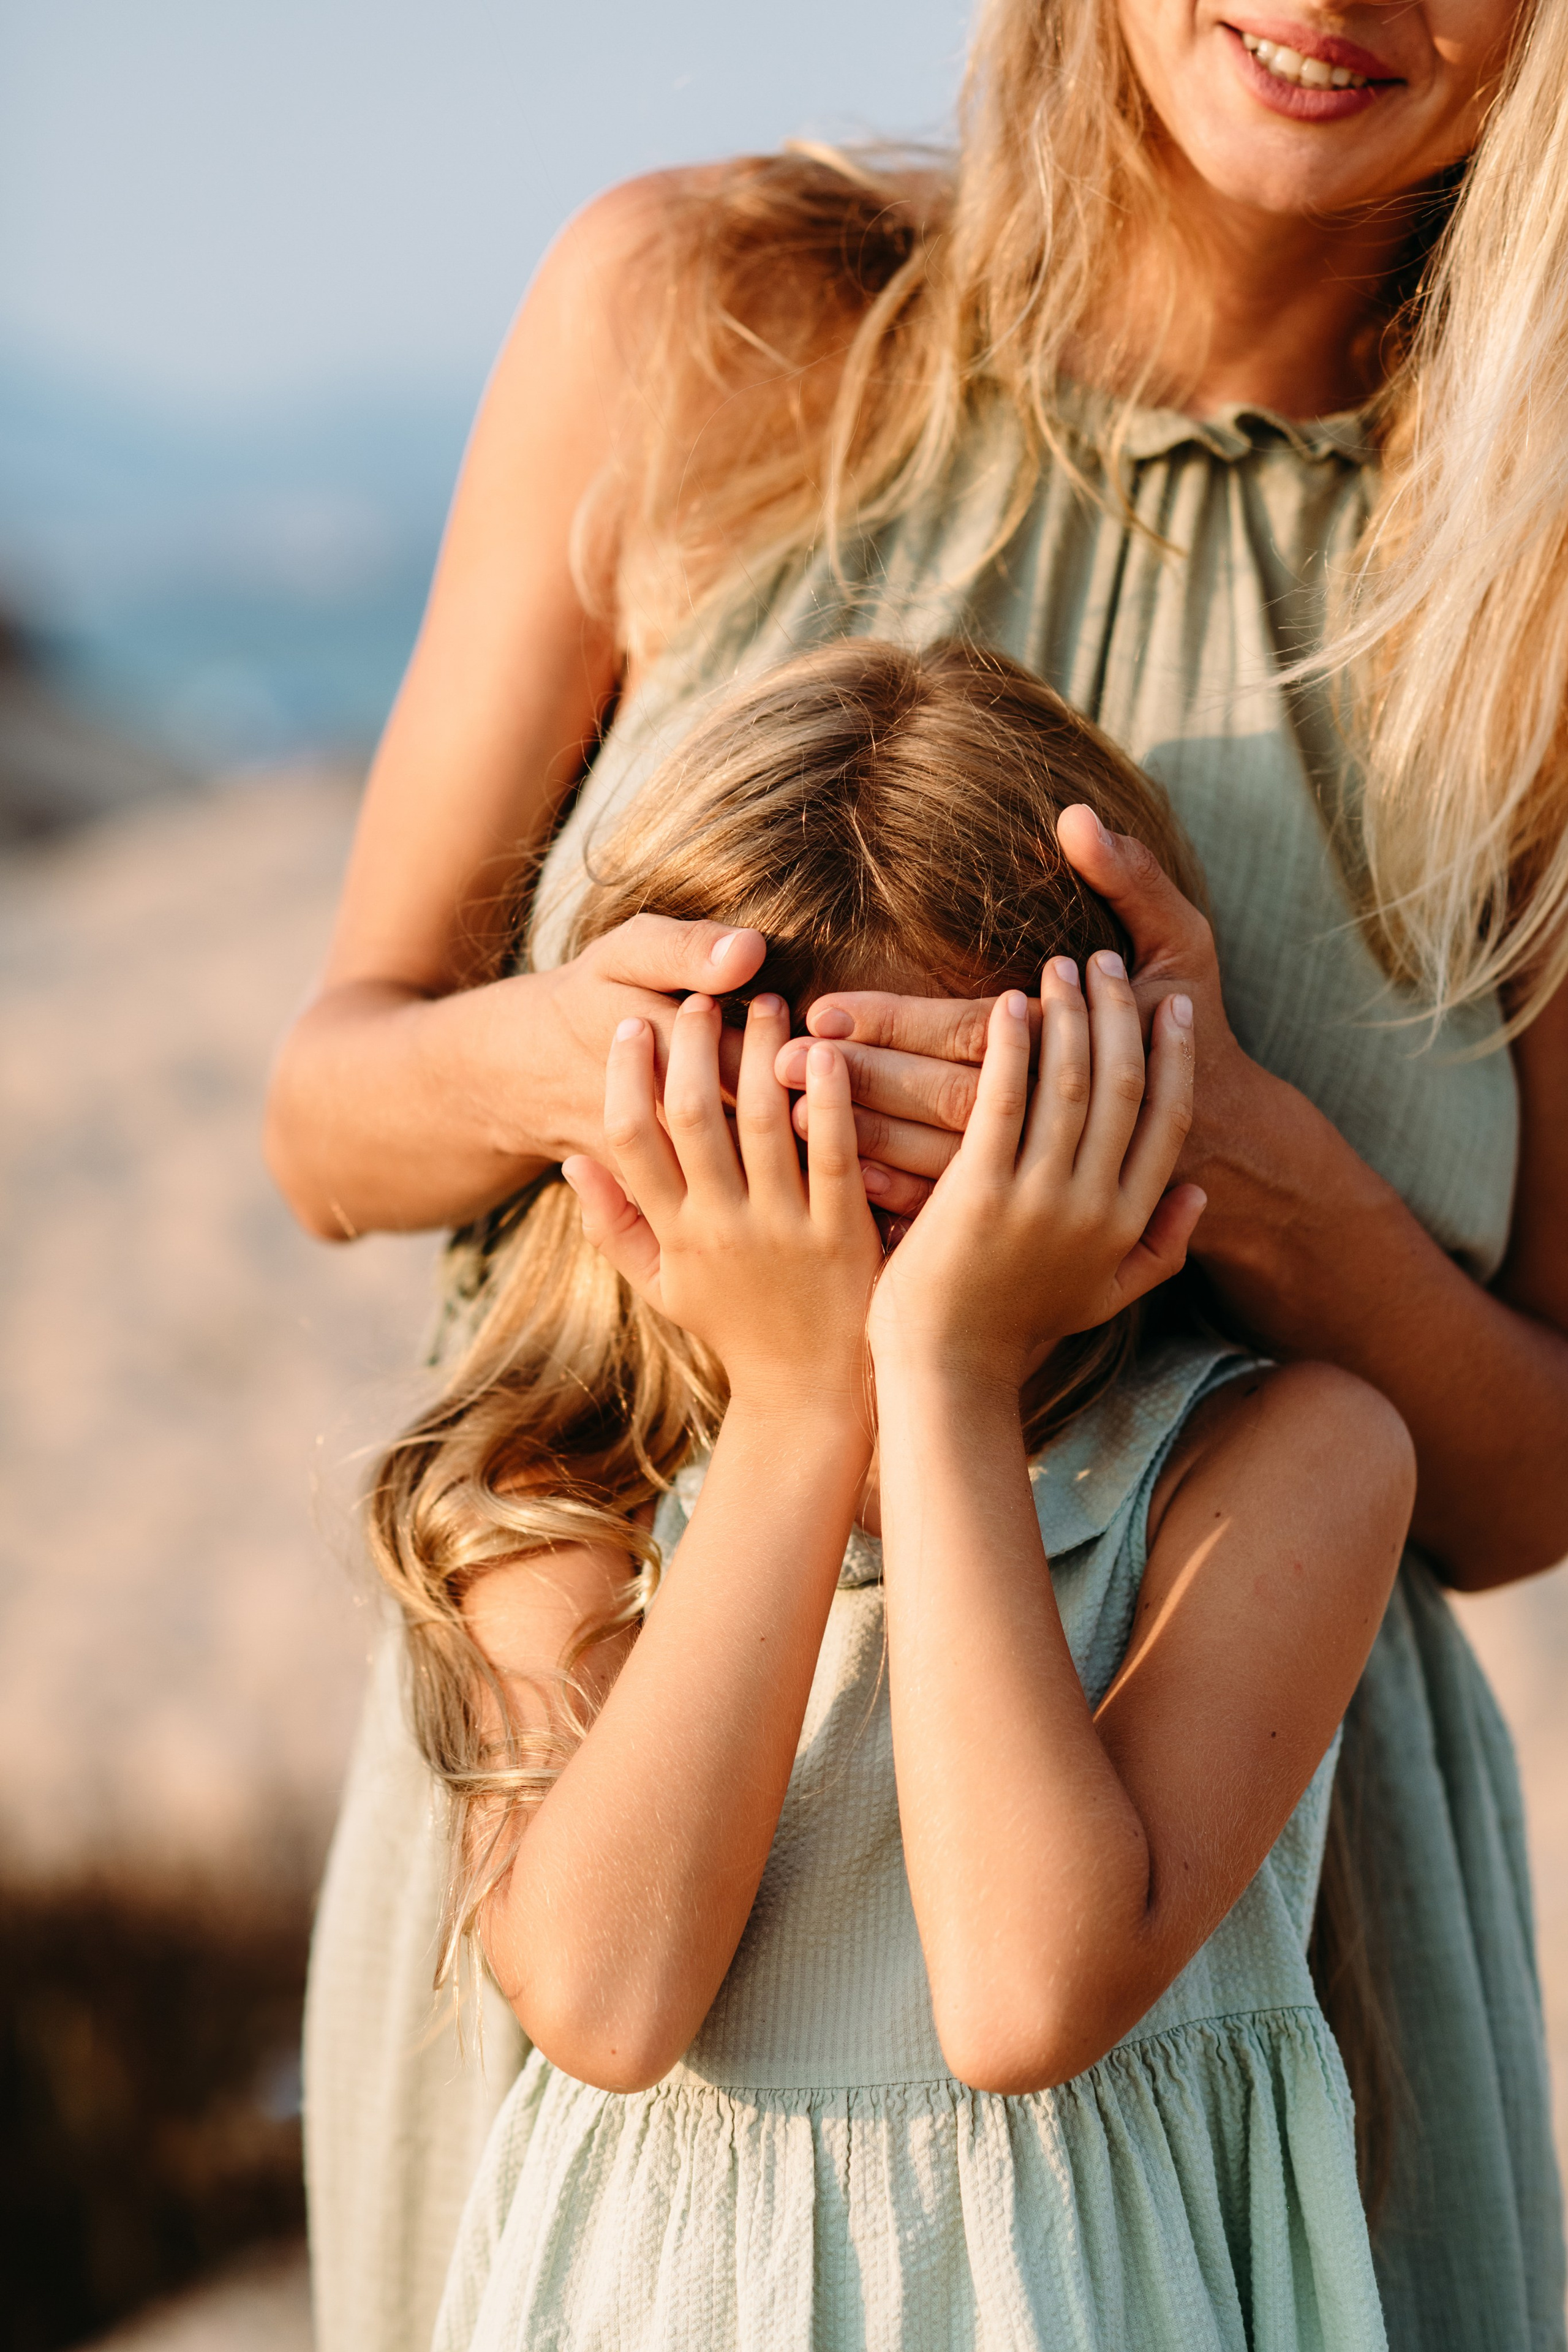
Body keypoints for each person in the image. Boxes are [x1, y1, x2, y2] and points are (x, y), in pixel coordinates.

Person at [270, 5, 1568, 2348]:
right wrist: (599, 1063)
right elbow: (326, 1122)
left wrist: (1240, 1159)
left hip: (1223, 1835)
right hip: (634, 1685)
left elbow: (1531, 1480)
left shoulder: (1537, 554)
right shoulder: (698, 317)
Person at [371, 639, 1408, 2351]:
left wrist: (941, 1376)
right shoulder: (563, 1495)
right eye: (790, 1150)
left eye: (948, 1147)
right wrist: (795, 1408)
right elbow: (611, 2004)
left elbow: (1024, 1993)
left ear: (1120, 1118)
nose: (867, 1235)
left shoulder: (1285, 1465)